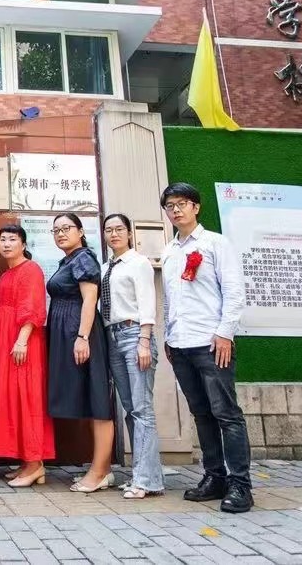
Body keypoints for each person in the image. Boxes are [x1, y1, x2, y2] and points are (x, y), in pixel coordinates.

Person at [160, 183, 250, 513]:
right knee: (201, 414)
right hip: (180, 345)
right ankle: (215, 477)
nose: (176, 210)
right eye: (170, 206)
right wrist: (169, 338)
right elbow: (170, 300)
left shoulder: (215, 243)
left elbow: (234, 292)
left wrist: (225, 333)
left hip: (211, 344)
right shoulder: (169, 250)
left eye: (182, 204)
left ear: (196, 207)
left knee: (227, 414)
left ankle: (241, 485)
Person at [45, 213, 113, 493]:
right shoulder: (69, 260)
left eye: (67, 228)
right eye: (56, 230)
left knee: (97, 400)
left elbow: (90, 299)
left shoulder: (83, 258)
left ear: (81, 231)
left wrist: (82, 337)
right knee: (86, 397)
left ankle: (99, 473)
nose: (61, 234)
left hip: (80, 332)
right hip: (67, 332)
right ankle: (101, 469)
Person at [101, 213, 164, 499]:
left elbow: (147, 303)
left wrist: (143, 341)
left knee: (142, 409)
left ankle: (147, 480)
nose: (113, 234)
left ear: (129, 233)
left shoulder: (138, 263)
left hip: (134, 334)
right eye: (108, 230)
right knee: (130, 407)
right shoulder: (106, 268)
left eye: (119, 229)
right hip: (113, 337)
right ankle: (143, 474)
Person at [0, 224, 54, 487]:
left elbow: (34, 308)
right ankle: (27, 462)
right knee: (12, 397)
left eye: (12, 239)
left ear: (23, 244)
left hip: (21, 341)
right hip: (6, 341)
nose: (6, 244)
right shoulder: (6, 274)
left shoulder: (31, 270)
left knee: (28, 398)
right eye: (2, 239)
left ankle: (36, 463)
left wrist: (22, 340)